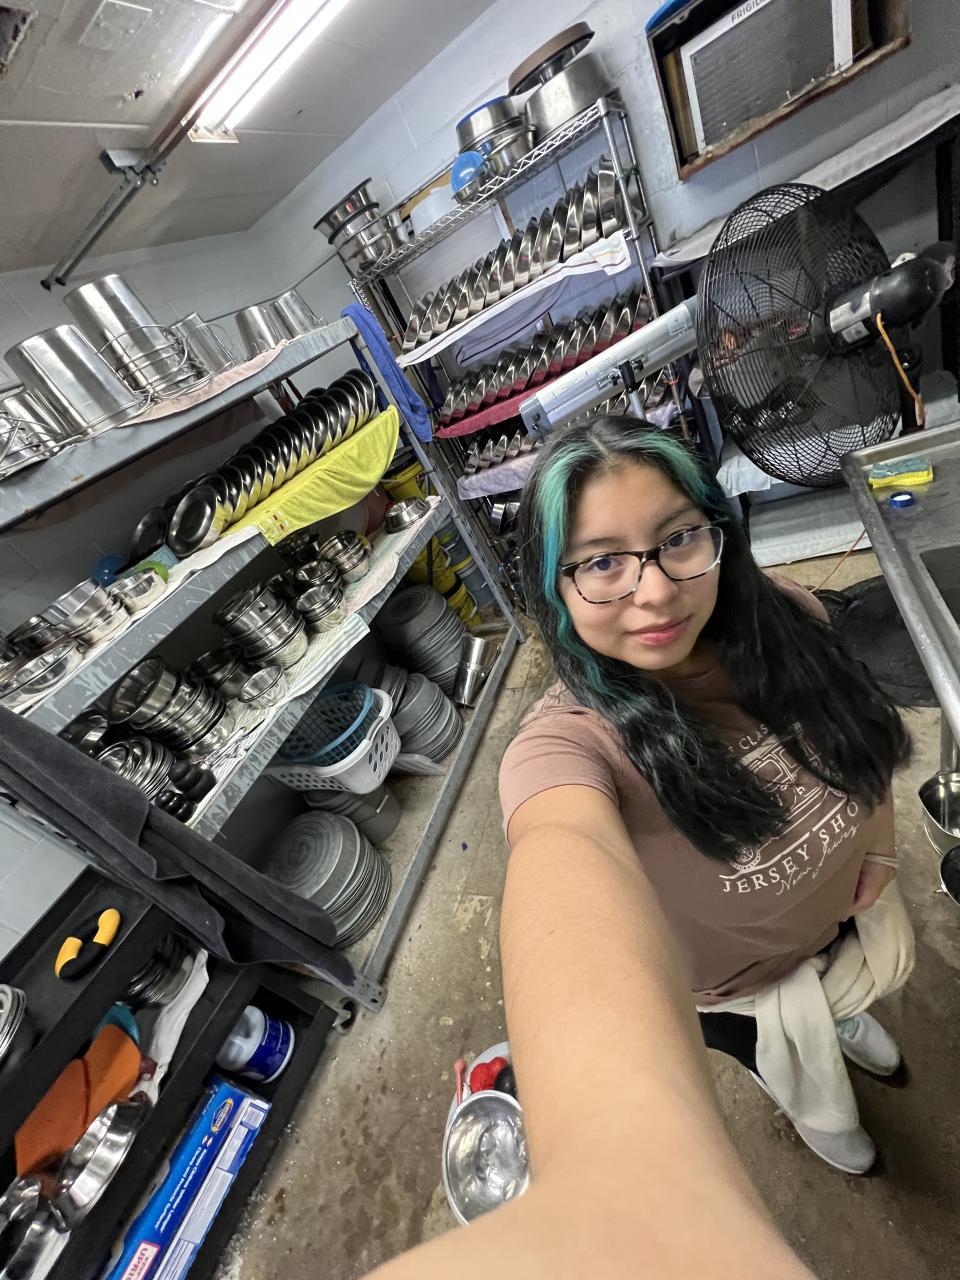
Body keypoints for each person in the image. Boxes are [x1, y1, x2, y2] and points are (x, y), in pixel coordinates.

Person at [496, 416, 914, 1179]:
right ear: (553, 586)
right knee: (800, 1075)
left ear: (719, 531)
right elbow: (558, 868)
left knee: (844, 1004)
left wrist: (880, 846)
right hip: (741, 994)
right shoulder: (568, 747)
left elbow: (856, 730)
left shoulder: (784, 616)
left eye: (679, 538)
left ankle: (842, 1020)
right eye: (602, 563)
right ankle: (815, 1104)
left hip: (842, 923)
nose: (657, 592)